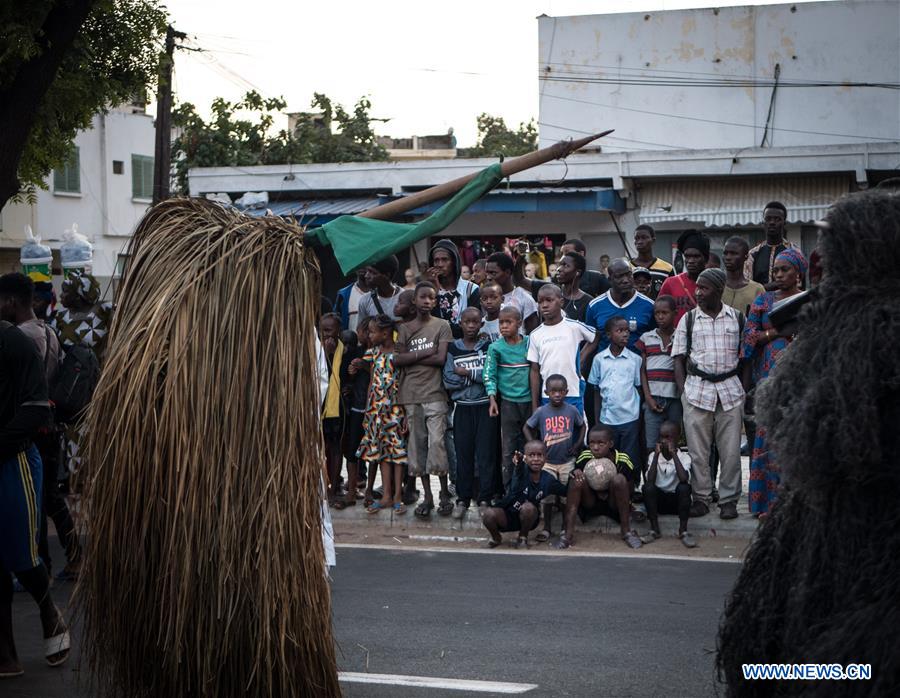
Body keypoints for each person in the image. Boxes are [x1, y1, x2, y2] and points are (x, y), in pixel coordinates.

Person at [717, 190, 900, 696]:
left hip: (865, 526)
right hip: (825, 522)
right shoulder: (834, 316)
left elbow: (810, 429)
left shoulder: (866, 330)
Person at [0, 318, 70, 677]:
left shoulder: (13, 342)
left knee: (23, 557)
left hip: (13, 463)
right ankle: (6, 654)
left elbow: (36, 407)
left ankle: (48, 613)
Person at [0, 274, 80, 580]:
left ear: (11, 302)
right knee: (48, 497)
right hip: (49, 424)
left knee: (37, 498)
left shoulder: (21, 337)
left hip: (31, 427)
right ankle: (66, 557)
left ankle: (39, 564)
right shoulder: (49, 332)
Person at [740, 248, 808, 517]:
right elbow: (748, 338)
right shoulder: (764, 301)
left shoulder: (808, 301)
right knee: (767, 439)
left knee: (796, 440)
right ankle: (765, 504)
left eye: (785, 270)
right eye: (776, 270)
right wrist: (776, 332)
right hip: (769, 383)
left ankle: (794, 507)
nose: (778, 274)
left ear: (798, 273)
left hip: (801, 382)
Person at [673, 268, 746, 520]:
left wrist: (743, 387)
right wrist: (684, 391)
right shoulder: (689, 319)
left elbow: (745, 357)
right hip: (696, 391)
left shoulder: (736, 318)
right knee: (698, 452)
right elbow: (678, 358)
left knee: (730, 451)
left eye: (704, 288)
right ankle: (701, 498)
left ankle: (728, 500)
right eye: (698, 288)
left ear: (719, 290)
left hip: (730, 392)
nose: (698, 293)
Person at [394, 282, 453, 518]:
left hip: (435, 392)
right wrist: (425, 353)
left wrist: (413, 357)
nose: (427, 301)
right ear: (414, 301)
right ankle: (427, 496)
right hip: (411, 395)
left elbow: (441, 359)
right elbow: (397, 360)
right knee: (417, 447)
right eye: (423, 297)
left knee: (437, 443)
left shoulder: (443, 325)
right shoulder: (405, 328)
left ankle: (444, 495)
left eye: (432, 298)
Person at [52, 270, 112, 482]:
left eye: (66, 291)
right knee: (70, 432)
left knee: (97, 430)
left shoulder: (106, 311)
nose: (61, 296)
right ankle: (73, 478)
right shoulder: (60, 317)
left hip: (99, 386)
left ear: (78, 294)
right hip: (71, 389)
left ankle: (96, 477)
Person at [350, 314, 409, 515]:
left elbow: (405, 382)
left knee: (398, 452)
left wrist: (407, 413)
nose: (369, 335)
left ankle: (398, 496)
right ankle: (386, 496)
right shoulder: (372, 353)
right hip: (376, 410)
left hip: (396, 409)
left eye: (373, 331)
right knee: (382, 452)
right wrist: (368, 408)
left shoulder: (400, 353)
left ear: (385, 333)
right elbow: (368, 377)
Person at [443, 307, 497, 517]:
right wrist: (477, 376)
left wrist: (466, 373)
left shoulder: (488, 347)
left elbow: (491, 375)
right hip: (463, 408)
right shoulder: (452, 349)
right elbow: (448, 380)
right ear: (460, 323)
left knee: (485, 455)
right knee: (463, 455)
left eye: (475, 322)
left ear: (481, 324)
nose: (472, 326)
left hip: (485, 407)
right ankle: (463, 499)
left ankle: (485, 497)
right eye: (467, 322)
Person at [557, 425, 642, 550]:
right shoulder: (585, 456)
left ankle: (626, 531)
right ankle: (567, 534)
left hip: (613, 503)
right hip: (591, 501)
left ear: (611, 443)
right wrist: (576, 472)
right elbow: (575, 472)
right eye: (592, 443)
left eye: (601, 443)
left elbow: (629, 485)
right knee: (576, 481)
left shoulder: (622, 459)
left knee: (619, 479)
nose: (596, 447)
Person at [523, 374, 586, 542]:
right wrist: (535, 446)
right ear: (546, 392)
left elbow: (582, 426)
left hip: (567, 461)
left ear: (566, 392)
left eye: (560, 391)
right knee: (547, 497)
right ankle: (547, 528)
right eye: (553, 391)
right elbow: (527, 427)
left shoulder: (571, 410)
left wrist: (578, 444)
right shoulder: (542, 411)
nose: (557, 395)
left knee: (567, 496)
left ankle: (566, 528)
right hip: (548, 463)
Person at [527, 285, 598, 415]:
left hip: (573, 391)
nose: (544, 305)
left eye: (549, 300)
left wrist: (581, 358)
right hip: (547, 395)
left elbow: (595, 337)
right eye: (540, 301)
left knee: (576, 430)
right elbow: (534, 370)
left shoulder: (574, 327)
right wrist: (534, 404)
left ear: (561, 302)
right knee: (552, 433)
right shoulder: (535, 335)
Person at [482, 440, 565, 549]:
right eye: (531, 455)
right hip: (507, 515)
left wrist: (575, 476)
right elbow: (518, 475)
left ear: (545, 458)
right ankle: (496, 538)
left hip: (528, 517)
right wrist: (519, 463)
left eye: (539, 455)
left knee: (528, 507)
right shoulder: (521, 471)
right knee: (488, 514)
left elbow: (565, 491)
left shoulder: (548, 479)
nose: (535, 459)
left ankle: (523, 537)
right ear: (525, 458)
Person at [484, 306, 531, 492]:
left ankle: (529, 488)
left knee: (530, 445)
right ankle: (509, 489)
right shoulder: (495, 347)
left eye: (508, 322)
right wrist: (492, 399)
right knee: (508, 448)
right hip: (508, 404)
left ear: (519, 323)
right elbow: (489, 374)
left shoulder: (529, 343)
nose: (503, 326)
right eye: (501, 322)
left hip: (529, 402)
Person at [588, 316, 643, 471]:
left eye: (627, 330)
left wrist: (638, 418)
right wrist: (598, 420)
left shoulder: (635, 360)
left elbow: (638, 389)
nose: (625, 334)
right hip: (607, 419)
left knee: (629, 458)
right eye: (620, 330)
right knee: (608, 458)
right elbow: (596, 391)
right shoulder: (599, 359)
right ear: (608, 335)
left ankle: (630, 490)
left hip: (629, 418)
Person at [637, 295, 682, 453]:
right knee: (652, 442)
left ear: (675, 313)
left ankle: (674, 476)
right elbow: (642, 370)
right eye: (657, 313)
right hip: (653, 398)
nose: (661, 317)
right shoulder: (646, 338)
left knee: (674, 441)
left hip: (675, 398)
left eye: (665, 312)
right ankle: (652, 474)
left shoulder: (681, 337)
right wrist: (648, 397)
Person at [335, 316, 372, 509]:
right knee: (352, 450)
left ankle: (370, 491)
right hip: (357, 407)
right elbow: (347, 375)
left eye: (372, 331)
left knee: (375, 452)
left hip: (376, 408)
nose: (369, 335)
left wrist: (365, 366)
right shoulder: (356, 352)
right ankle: (351, 491)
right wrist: (351, 376)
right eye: (366, 331)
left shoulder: (381, 353)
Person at [640, 421, 695, 548]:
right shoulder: (653, 456)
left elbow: (683, 478)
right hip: (660, 502)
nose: (664, 441)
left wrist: (674, 454)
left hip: (677, 502)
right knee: (647, 487)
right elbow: (650, 480)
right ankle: (654, 530)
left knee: (684, 488)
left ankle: (683, 530)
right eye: (661, 437)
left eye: (668, 437)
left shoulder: (684, 457)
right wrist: (656, 456)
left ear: (677, 439)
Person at [585, 258, 655, 354]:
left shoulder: (649, 306)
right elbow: (590, 341)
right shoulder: (595, 306)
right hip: (605, 367)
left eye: (628, 274)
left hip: (638, 367)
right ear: (610, 280)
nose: (625, 280)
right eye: (619, 276)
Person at [515, 238, 610, 301]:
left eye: (567, 253)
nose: (563, 257)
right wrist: (521, 256)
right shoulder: (556, 283)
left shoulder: (596, 279)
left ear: (581, 254)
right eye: (562, 254)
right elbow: (520, 280)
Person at [424, 239, 479, 338]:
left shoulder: (471, 290)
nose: (440, 264)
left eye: (445, 260)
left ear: (454, 262)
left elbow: (472, 328)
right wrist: (434, 293)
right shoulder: (427, 291)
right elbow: (428, 324)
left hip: (463, 349)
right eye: (436, 260)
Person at [319, 313, 347, 504]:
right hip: (319, 406)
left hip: (337, 408)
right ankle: (320, 485)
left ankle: (335, 486)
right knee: (320, 447)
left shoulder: (345, 350)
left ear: (338, 331)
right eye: (322, 330)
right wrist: (324, 353)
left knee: (336, 447)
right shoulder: (315, 349)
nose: (325, 334)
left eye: (329, 330)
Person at [658, 229, 710, 325]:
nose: (690, 261)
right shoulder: (670, 283)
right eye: (687, 256)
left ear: (706, 259)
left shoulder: (713, 284)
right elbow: (659, 314)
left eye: (696, 256)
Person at [745, 201, 799, 290]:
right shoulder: (753, 254)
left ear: (784, 223)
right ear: (763, 223)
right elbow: (748, 289)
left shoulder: (794, 252)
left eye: (777, 219)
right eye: (768, 219)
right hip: (760, 302)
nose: (772, 222)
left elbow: (799, 286)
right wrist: (773, 286)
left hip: (788, 302)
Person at [485, 252, 539, 333]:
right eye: (487, 273)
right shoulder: (484, 298)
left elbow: (533, 334)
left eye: (493, 273)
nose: (488, 277)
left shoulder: (524, 299)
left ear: (507, 272)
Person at [721, 237, 765, 317]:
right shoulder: (716, 286)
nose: (728, 257)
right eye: (725, 253)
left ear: (746, 256)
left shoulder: (757, 289)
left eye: (734, 253)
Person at [356, 255, 403, 327]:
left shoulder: (405, 298)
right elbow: (362, 334)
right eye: (367, 271)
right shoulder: (365, 301)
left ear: (387, 275)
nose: (366, 276)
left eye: (372, 272)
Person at [630, 224, 674, 297]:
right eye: (637, 238)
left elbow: (672, 295)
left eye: (644, 238)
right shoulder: (627, 268)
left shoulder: (667, 269)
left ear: (653, 240)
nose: (640, 241)